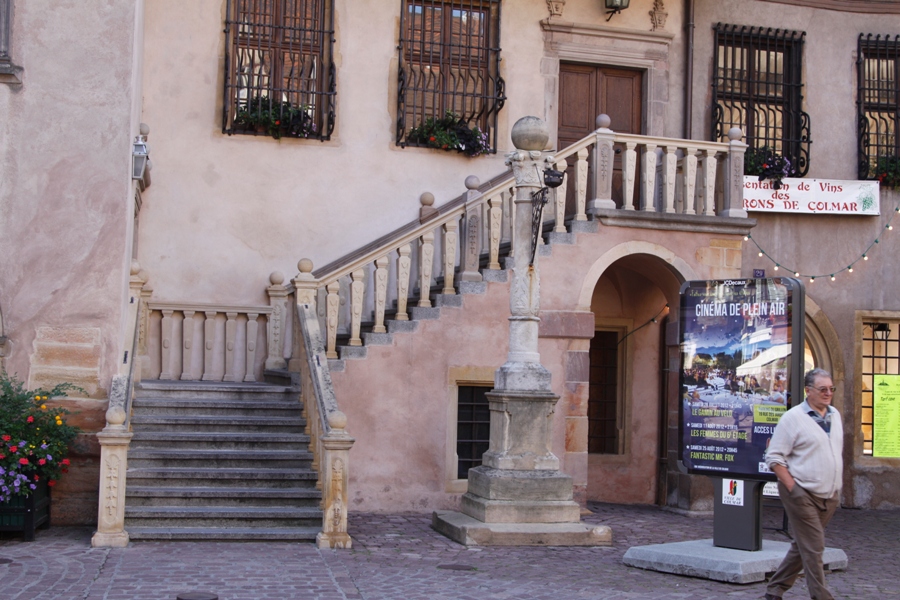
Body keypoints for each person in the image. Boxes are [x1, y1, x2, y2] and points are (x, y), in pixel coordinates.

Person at [764, 368, 843, 600]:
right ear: (808, 391)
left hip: (829, 495)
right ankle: (821, 596)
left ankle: (774, 591)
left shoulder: (834, 415)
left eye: (831, 389)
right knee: (815, 546)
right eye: (822, 389)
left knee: (804, 545)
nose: (828, 393)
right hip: (801, 492)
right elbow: (774, 456)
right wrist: (793, 488)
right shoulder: (793, 418)